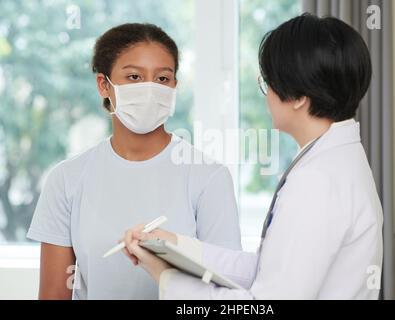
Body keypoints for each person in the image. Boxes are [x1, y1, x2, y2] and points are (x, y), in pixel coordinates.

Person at [122, 13, 384, 300]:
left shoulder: (318, 180)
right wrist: (176, 245)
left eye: (268, 83)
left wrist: (166, 277)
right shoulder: (337, 161)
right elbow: (267, 269)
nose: (267, 95)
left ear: (298, 97)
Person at [27, 23, 241, 299]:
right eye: (134, 77)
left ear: (175, 85)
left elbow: (225, 289)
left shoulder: (209, 177)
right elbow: (54, 294)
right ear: (104, 85)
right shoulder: (67, 179)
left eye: (162, 79)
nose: (150, 89)